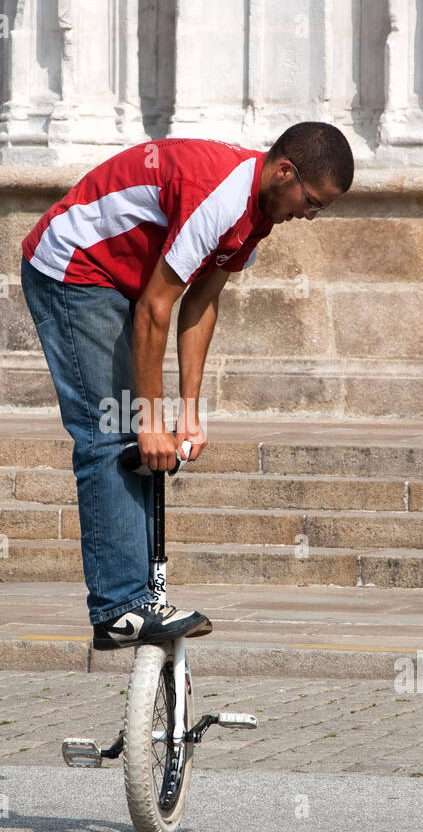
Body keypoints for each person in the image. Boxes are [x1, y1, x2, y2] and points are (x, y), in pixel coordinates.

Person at [20, 122, 354, 650]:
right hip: (74, 269)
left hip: (124, 280)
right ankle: (119, 609)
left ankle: (141, 599)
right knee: (114, 429)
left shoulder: (259, 213)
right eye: (311, 202)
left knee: (138, 432)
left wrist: (189, 411)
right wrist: (154, 420)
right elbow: (157, 308)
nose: (310, 217)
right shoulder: (220, 196)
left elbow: (200, 301)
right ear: (285, 171)